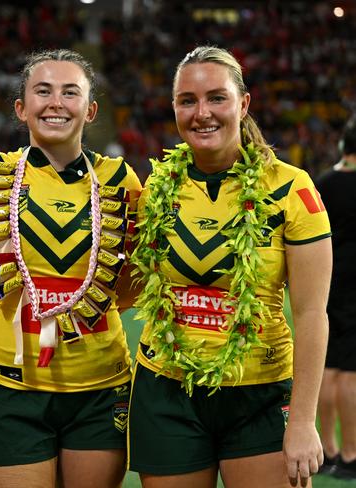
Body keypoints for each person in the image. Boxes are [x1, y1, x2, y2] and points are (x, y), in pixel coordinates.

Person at [128, 45, 332, 488]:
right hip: (167, 391)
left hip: (261, 394)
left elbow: (313, 314)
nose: (202, 113)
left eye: (217, 98)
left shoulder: (291, 188)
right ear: (175, 108)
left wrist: (302, 421)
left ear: (243, 103)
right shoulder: (154, 189)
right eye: (188, 101)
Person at [0, 49, 141, 488]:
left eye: (70, 92)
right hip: (12, 386)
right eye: (43, 91)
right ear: (21, 108)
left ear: (91, 110)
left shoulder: (123, 181)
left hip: (101, 386)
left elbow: (132, 281)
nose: (56, 102)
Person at [315, 114, 356, 480]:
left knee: (327, 367)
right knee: (350, 372)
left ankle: (326, 450)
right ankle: (351, 454)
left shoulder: (323, 183)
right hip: (355, 289)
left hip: (326, 281)